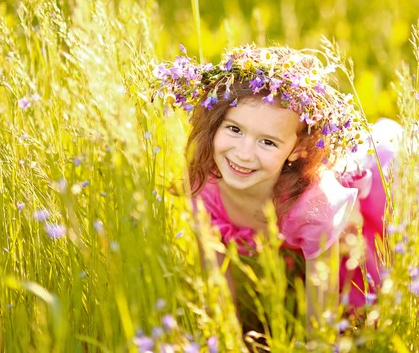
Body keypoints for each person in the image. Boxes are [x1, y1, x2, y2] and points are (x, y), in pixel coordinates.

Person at [153, 44, 395, 328]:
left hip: (365, 196)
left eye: (267, 142)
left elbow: (321, 310)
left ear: (297, 149)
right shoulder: (205, 182)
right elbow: (216, 283)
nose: (244, 154)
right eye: (234, 129)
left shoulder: (314, 205)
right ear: (215, 123)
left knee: (367, 289)